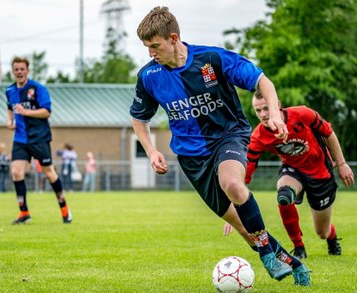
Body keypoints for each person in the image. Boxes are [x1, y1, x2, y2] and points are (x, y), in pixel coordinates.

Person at [129, 7, 310, 286]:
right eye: (147, 48)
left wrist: (274, 113)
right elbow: (139, 118)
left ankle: (265, 254)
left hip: (229, 136)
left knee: (233, 184)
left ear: (174, 38)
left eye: (155, 46)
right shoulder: (149, 76)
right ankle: (294, 264)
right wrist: (152, 150)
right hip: (192, 158)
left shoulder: (212, 59)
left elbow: (263, 81)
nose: (151, 53)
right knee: (242, 226)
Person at [238, 90, 354, 259]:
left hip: (320, 172)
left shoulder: (302, 114)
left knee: (321, 231)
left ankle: (331, 237)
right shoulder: (258, 136)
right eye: (258, 110)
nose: (263, 114)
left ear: (276, 105)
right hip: (293, 170)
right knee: (284, 196)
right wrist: (236, 206)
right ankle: (299, 247)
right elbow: (246, 175)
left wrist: (342, 163)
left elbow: (328, 133)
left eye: (266, 108)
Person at [6, 56, 72, 224]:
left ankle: (64, 208)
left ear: (27, 70)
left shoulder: (38, 88)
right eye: (16, 69)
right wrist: (10, 121)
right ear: (13, 71)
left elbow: (46, 112)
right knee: (16, 172)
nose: (19, 72)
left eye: (22, 69)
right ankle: (24, 212)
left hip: (39, 137)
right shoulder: (10, 90)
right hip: (20, 138)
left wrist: (26, 112)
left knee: (49, 174)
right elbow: (10, 107)